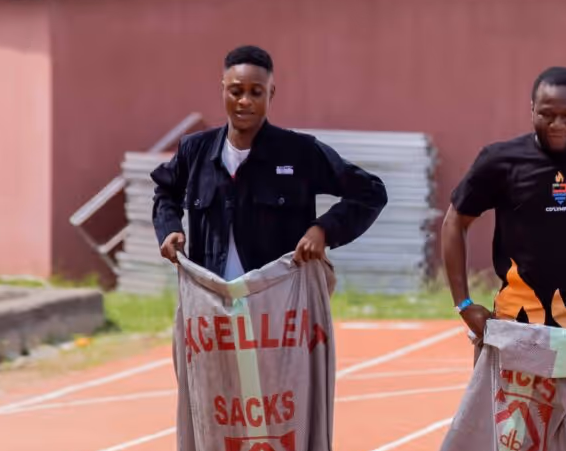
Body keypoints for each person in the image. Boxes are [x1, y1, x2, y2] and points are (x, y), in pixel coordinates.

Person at [153, 45, 389, 277]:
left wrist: (323, 230)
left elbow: (370, 191)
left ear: (271, 93)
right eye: (236, 91)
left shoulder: (299, 152)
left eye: (256, 92)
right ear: (223, 90)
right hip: (213, 302)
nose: (245, 101)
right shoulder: (195, 151)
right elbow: (165, 191)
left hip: (280, 299)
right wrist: (169, 229)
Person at [443, 66, 566, 346]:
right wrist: (463, 304)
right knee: (503, 393)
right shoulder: (499, 161)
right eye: (546, 114)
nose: (557, 124)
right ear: (532, 109)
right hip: (516, 326)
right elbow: (454, 222)